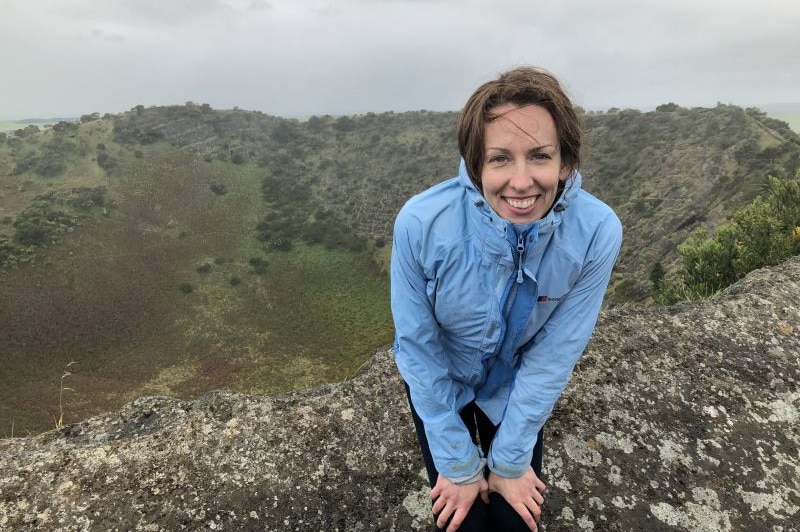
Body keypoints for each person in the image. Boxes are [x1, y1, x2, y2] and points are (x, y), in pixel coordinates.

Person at [390, 66, 622, 532]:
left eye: (539, 156)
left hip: (514, 385)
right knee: (464, 524)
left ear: (566, 162)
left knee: (516, 524)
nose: (521, 182)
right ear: (476, 164)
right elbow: (418, 347)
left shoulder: (596, 232)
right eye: (500, 159)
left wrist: (510, 462)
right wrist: (458, 464)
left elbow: (554, 354)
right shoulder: (421, 224)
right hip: (444, 380)